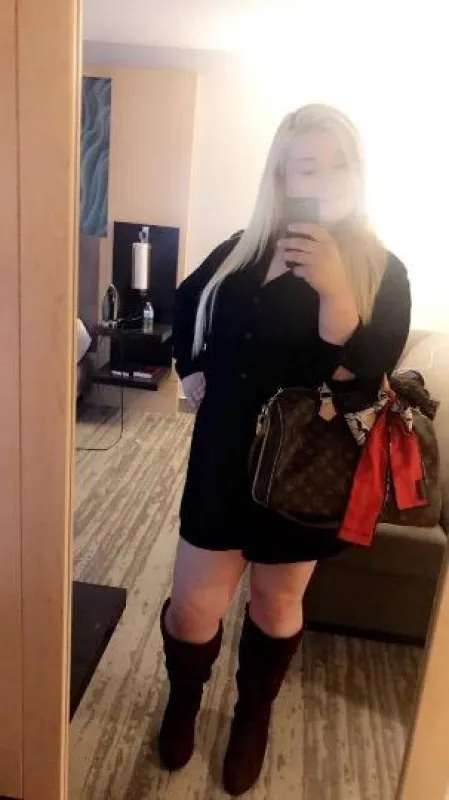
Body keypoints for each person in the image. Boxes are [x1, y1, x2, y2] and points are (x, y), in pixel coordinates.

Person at [158, 104, 411, 796]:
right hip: (221, 456)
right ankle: (183, 699)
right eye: (306, 166)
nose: (323, 179)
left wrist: (334, 290)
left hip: (301, 469)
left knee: (275, 603)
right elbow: (186, 301)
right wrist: (191, 365)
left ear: (357, 174)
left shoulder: (382, 271)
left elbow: (361, 380)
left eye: (338, 165)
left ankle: (253, 715)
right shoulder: (241, 248)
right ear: (281, 176)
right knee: (193, 607)